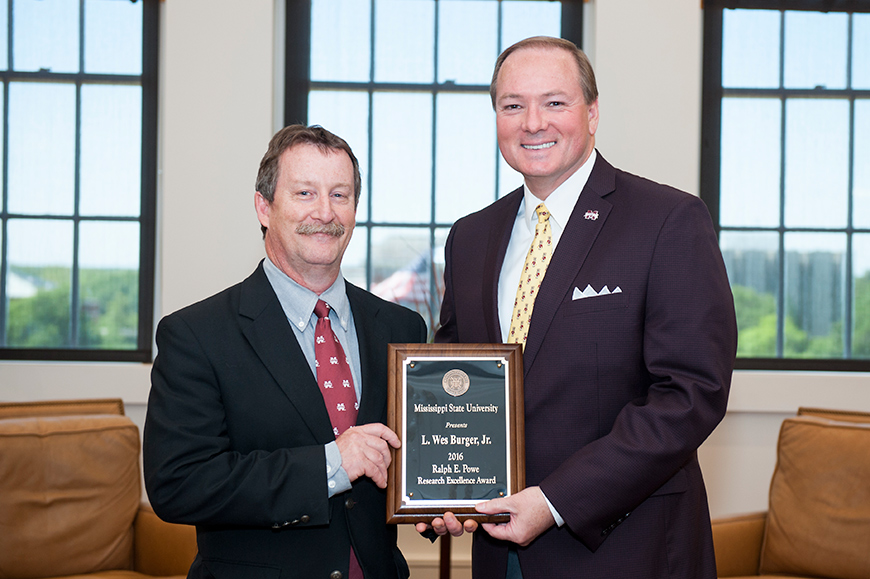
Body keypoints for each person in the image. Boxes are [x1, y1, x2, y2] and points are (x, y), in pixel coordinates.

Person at [418, 36, 738, 578]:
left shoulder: (667, 220)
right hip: (498, 553)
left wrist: (554, 500)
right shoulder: (470, 237)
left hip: (624, 550)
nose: (533, 122)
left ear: (592, 114)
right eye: (512, 105)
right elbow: (456, 374)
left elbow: (691, 393)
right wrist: (439, 487)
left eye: (555, 102)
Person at [144, 124, 427, 579]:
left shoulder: (401, 327)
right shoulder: (195, 335)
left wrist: (447, 501)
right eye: (304, 193)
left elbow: (412, 461)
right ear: (264, 206)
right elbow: (179, 484)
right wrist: (331, 463)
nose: (324, 212)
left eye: (340, 195)